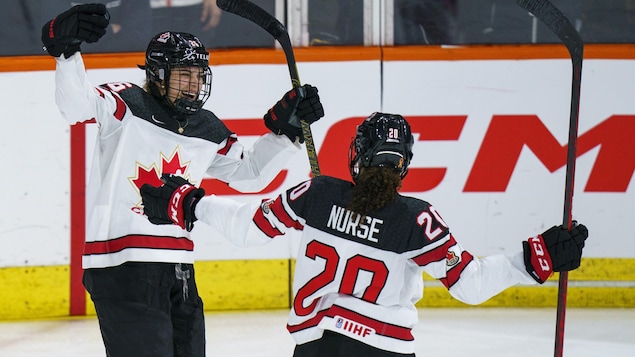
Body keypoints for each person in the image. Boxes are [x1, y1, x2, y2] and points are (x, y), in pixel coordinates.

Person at [140, 112, 589, 356]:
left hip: (317, 351)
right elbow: (469, 285)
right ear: (403, 165)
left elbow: (248, 226)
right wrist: (535, 259)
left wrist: (191, 202)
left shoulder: (317, 193)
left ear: (357, 155)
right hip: (385, 354)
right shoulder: (417, 220)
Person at [41, 3, 324, 357]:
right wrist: (66, 53)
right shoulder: (126, 104)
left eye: (198, 75)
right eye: (183, 75)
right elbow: (76, 106)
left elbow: (249, 174)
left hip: (180, 271)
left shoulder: (205, 126)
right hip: (122, 266)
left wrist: (288, 134)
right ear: (158, 74)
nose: (193, 85)